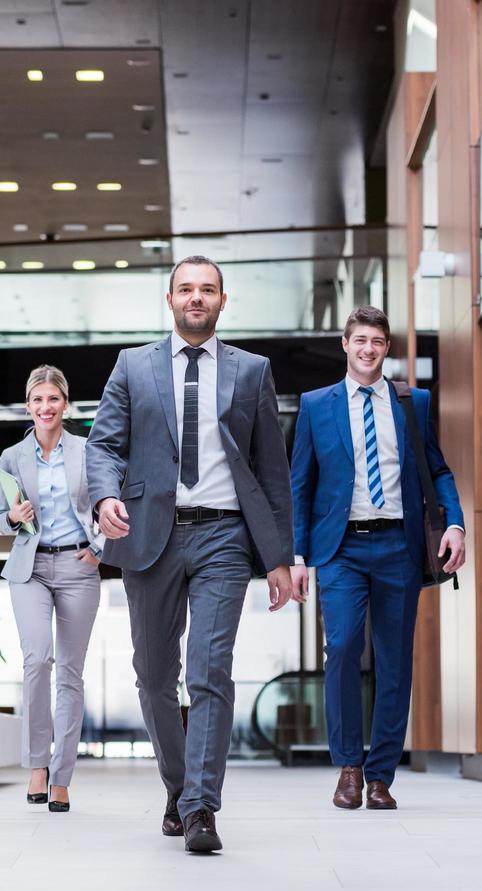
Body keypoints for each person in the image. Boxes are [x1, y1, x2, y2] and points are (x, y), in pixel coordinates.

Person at [87, 255, 295, 853]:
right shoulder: (133, 366)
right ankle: (179, 789)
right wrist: (103, 496)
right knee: (154, 677)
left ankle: (202, 807)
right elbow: (104, 445)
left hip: (225, 536)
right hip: (150, 535)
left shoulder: (252, 372)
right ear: (170, 298)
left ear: (223, 301)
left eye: (207, 290)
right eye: (186, 289)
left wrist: (280, 555)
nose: (196, 298)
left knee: (210, 671)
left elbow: (270, 471)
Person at [289, 306, 466, 810]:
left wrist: (454, 523)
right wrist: (298, 555)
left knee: (394, 661)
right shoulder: (315, 405)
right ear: (345, 344)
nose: (369, 349)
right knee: (342, 648)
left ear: (387, 348)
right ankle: (349, 766)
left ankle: (381, 776)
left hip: (399, 547)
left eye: (378, 342)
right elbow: (300, 484)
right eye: (360, 340)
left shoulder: (414, 402)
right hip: (341, 548)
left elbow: (439, 469)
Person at [0, 365, 106, 814]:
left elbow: (109, 502)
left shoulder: (88, 450)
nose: (45, 407)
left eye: (53, 399)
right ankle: (37, 764)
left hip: (79, 564)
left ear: (65, 404)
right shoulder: (11, 457)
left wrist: (100, 548)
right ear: (28, 406)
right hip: (32, 567)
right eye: (37, 400)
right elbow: (1, 517)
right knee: (38, 659)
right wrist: (13, 518)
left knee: (71, 675)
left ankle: (61, 776)